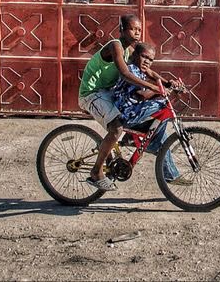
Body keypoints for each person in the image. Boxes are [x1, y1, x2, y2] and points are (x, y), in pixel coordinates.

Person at [78, 14, 176, 191]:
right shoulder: (115, 45)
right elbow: (125, 74)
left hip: (107, 93)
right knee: (116, 128)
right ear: (122, 30)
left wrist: (167, 82)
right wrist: (153, 88)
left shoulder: (130, 50)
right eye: (133, 29)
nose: (137, 32)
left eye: (139, 29)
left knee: (132, 118)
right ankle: (96, 173)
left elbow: (147, 71)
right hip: (91, 94)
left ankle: (132, 139)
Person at [112, 42, 190, 185]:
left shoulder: (140, 69)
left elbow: (152, 74)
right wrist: (158, 91)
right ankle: (146, 142)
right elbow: (141, 94)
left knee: (163, 137)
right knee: (162, 105)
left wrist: (169, 85)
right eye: (144, 57)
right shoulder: (131, 69)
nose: (147, 61)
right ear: (135, 55)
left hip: (136, 111)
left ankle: (171, 174)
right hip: (127, 113)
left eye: (151, 59)